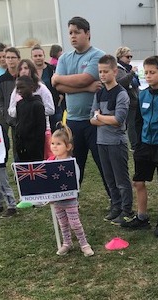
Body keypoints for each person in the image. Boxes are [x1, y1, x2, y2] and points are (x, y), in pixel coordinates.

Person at [121, 56, 158, 238]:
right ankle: (142, 217)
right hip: (144, 146)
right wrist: (137, 144)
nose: (148, 76)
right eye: (146, 72)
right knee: (138, 182)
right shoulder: (142, 95)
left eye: (152, 72)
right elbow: (137, 121)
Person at [52, 17, 108, 191]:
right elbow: (57, 86)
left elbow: (86, 78)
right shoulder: (64, 58)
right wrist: (85, 87)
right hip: (72, 121)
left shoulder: (97, 55)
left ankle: (117, 202)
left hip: (95, 121)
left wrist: (60, 79)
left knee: (104, 164)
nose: (73, 36)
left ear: (87, 33)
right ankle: (71, 199)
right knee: (74, 165)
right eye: (70, 33)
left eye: (77, 32)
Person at [90, 54, 133, 225]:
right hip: (101, 142)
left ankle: (127, 209)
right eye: (100, 71)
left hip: (116, 143)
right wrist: (103, 117)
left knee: (121, 179)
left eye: (105, 71)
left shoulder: (121, 94)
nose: (102, 75)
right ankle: (115, 206)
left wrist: (100, 117)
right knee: (109, 179)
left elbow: (118, 121)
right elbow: (91, 119)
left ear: (115, 71)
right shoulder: (99, 94)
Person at [48, 125, 94, 257]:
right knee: (62, 223)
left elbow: (75, 181)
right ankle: (67, 243)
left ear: (68, 147)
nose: (54, 146)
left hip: (70, 200)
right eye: (52, 143)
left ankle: (84, 244)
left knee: (75, 223)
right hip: (56, 201)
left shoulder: (72, 163)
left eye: (58, 144)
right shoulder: (50, 162)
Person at [7, 59, 55, 159]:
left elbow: (51, 109)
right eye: (20, 69)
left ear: (31, 70)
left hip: (41, 130)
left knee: (43, 158)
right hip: (23, 131)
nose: (23, 71)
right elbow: (11, 110)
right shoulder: (17, 89)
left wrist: (34, 111)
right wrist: (23, 110)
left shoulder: (41, 88)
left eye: (26, 68)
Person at [13, 75, 46, 162]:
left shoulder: (37, 105)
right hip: (21, 145)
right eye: (17, 88)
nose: (19, 91)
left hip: (34, 147)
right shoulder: (19, 104)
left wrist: (35, 145)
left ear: (31, 87)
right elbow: (18, 123)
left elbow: (41, 128)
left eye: (22, 88)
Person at [0, 46, 20, 159]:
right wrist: (4, 113)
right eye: (8, 57)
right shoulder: (2, 79)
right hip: (10, 116)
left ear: (18, 59)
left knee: (21, 143)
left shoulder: (23, 76)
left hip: (23, 115)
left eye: (13, 57)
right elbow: (0, 98)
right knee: (10, 141)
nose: (10, 60)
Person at [32, 44, 62, 133]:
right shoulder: (29, 72)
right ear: (32, 57)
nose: (38, 58)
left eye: (40, 55)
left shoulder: (52, 69)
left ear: (44, 56)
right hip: (36, 109)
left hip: (54, 107)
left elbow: (60, 82)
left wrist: (60, 96)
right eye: (35, 56)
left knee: (57, 133)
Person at [115, 46, 140, 151]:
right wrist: (132, 73)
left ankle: (136, 143)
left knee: (133, 123)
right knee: (131, 125)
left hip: (133, 99)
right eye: (127, 56)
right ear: (120, 57)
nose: (129, 59)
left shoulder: (126, 68)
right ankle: (134, 146)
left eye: (131, 56)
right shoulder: (118, 69)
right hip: (127, 101)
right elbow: (121, 82)